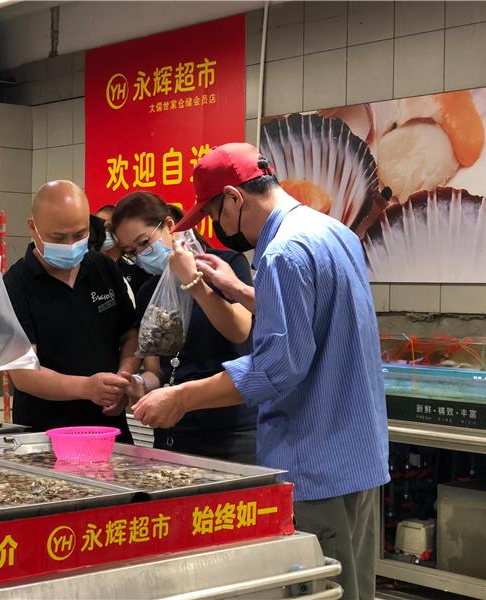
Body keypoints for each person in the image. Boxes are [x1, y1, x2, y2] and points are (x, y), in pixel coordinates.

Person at [131, 143, 389, 599]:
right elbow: (315, 316)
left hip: (315, 463)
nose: (220, 228)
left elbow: (276, 367)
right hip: (358, 456)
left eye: (216, 214)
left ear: (234, 197)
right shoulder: (333, 231)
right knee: (354, 588)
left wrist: (181, 397)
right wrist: (236, 288)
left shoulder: (282, 253)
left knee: (322, 589)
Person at [111, 191, 258, 463]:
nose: (142, 255)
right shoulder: (149, 292)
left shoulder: (224, 266)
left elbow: (240, 331)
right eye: (132, 252)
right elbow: (157, 369)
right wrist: (139, 383)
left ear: (169, 225)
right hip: (173, 429)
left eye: (144, 242)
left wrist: (193, 281)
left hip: (231, 430)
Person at [4, 180, 137, 442]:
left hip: (110, 430)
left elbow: (130, 333)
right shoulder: (15, 285)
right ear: (32, 227)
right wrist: (86, 387)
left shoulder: (103, 268)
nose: (71, 245)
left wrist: (123, 379)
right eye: (58, 238)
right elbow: (24, 374)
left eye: (79, 234)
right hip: (44, 435)